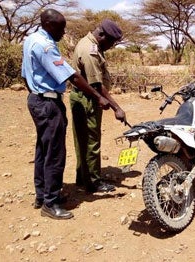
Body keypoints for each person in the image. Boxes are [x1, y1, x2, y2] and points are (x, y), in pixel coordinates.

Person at [22, 9, 111, 220]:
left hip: (36, 99)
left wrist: (35, 92)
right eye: (61, 28)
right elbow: (72, 76)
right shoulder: (45, 46)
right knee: (54, 154)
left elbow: (25, 74)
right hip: (48, 103)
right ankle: (50, 204)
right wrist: (98, 96)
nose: (64, 32)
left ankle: (42, 196)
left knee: (43, 150)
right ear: (49, 25)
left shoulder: (31, 39)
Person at [70, 19, 126, 193]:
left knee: (83, 140)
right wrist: (117, 108)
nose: (111, 46)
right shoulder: (90, 50)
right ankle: (93, 182)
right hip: (87, 100)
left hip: (82, 97)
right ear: (101, 35)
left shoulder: (90, 44)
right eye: (110, 42)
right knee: (91, 141)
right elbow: (97, 85)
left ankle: (83, 177)